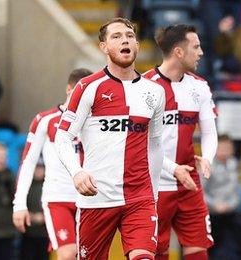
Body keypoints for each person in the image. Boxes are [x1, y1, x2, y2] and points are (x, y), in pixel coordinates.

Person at [55, 17, 165, 260]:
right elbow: (63, 137)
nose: (124, 40)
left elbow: (156, 144)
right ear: (104, 47)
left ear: (137, 44)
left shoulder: (155, 92)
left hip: (139, 198)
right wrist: (77, 172)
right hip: (96, 198)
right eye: (116, 36)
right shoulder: (88, 87)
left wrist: (154, 194)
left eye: (129, 35)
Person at [143, 24, 219, 260]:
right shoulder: (144, 87)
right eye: (195, 47)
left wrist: (207, 158)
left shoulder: (199, 86)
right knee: (157, 252)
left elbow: (209, 132)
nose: (201, 52)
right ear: (178, 51)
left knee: (198, 249)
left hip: (189, 184)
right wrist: (172, 168)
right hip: (155, 184)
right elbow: (140, 144)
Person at [12, 68, 92, 260]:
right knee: (68, 254)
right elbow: (28, 162)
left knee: (88, 255)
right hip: (58, 198)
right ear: (68, 89)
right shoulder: (45, 120)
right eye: (78, 91)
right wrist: (19, 204)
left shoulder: (95, 122)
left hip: (90, 198)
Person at [203, 135, 240, 258]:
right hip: (210, 213)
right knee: (209, 248)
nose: (225, 150)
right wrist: (215, 205)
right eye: (222, 147)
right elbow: (200, 192)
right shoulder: (208, 164)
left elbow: (235, 190)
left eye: (228, 147)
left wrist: (231, 205)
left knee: (229, 248)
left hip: (229, 212)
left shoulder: (233, 163)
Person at [215, 2, 241, 78]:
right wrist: (223, 34)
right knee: (229, 63)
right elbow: (222, 51)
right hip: (240, 78)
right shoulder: (238, 32)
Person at [19, 162, 50, 260]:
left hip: (46, 234)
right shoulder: (24, 186)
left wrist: (44, 217)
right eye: (36, 168)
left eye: (41, 168)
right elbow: (17, 206)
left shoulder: (50, 186)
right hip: (28, 233)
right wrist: (31, 216)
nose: (38, 171)